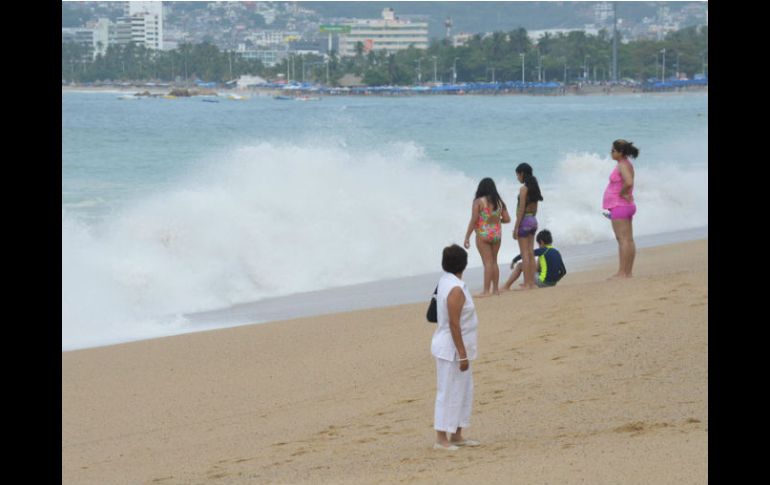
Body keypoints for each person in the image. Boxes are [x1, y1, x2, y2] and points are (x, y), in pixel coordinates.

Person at [431, 244, 481, 451]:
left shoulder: (447, 281)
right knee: (447, 390)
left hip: (458, 346)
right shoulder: (455, 289)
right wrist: (462, 354)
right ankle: (441, 438)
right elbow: (453, 323)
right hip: (450, 349)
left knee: (463, 390)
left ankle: (457, 434)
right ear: (464, 264)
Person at [464, 178, 511, 297]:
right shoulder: (499, 203)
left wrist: (467, 237)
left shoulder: (479, 202)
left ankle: (486, 291)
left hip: (483, 234)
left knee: (487, 263)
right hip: (496, 234)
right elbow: (507, 219)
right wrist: (496, 220)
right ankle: (495, 290)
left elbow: (474, 219)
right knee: (494, 261)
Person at [603, 139, 639, 279]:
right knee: (628, 240)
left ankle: (622, 272)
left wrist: (623, 193)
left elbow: (629, 182)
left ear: (620, 152)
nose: (611, 153)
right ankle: (627, 272)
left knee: (622, 239)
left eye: (613, 150)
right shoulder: (626, 164)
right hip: (626, 206)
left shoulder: (622, 165)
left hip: (620, 206)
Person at [512, 163, 544, 290]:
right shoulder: (534, 188)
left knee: (524, 253)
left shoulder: (524, 189)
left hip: (524, 221)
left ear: (522, 173)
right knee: (530, 253)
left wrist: (516, 227)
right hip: (533, 220)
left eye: (517, 175)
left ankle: (526, 283)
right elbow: (534, 208)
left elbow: (521, 210)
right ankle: (531, 282)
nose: (517, 178)